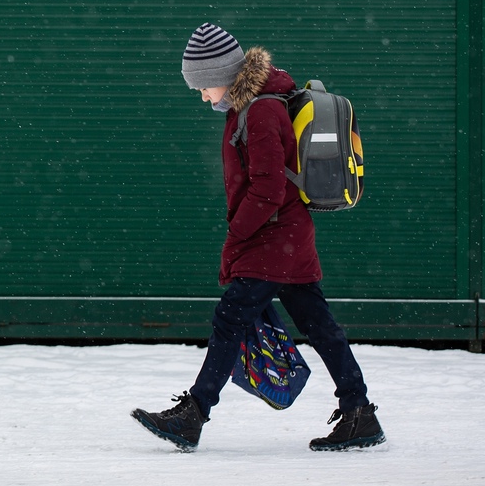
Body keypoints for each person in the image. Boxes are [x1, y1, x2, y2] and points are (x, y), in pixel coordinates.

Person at [131, 23, 385, 452]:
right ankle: (360, 413)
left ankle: (193, 414)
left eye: (201, 86)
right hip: (286, 237)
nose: (200, 95)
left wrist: (237, 235)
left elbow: (267, 186)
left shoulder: (261, 109)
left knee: (231, 319)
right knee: (318, 325)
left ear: (219, 75)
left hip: (273, 238)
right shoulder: (250, 104)